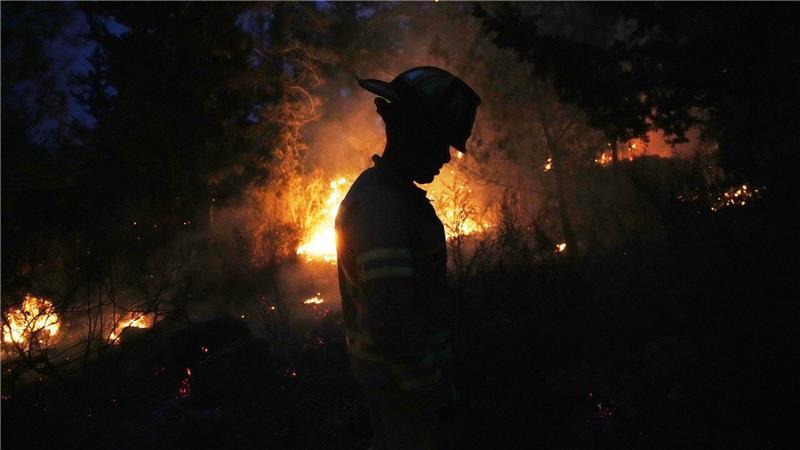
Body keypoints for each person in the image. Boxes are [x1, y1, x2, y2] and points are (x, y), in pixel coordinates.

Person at [335, 66, 481, 450]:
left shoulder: (392, 197)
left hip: (404, 388)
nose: (447, 159)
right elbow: (393, 322)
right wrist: (435, 397)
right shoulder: (381, 210)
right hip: (406, 394)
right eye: (442, 143)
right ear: (414, 132)